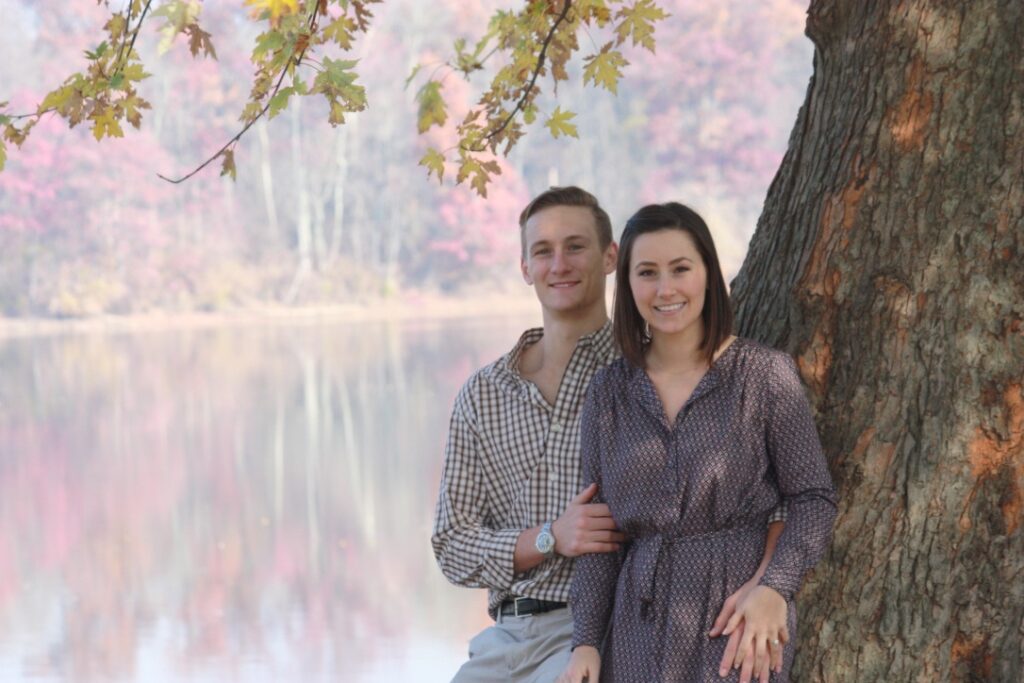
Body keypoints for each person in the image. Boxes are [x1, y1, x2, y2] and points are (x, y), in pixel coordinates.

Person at [432, 188, 786, 682]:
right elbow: (451, 544)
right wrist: (548, 538)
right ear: (524, 267)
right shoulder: (484, 393)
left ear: (609, 257)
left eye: (575, 246)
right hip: (504, 634)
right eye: (543, 251)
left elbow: (763, 498)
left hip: (602, 626)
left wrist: (769, 587)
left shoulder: (640, 377)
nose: (559, 264)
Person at [558, 203, 837, 683]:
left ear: (708, 273)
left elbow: (813, 499)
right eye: (647, 273)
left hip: (736, 623)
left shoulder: (763, 375)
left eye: (681, 269)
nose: (665, 289)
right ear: (627, 285)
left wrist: (775, 588)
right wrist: (585, 642)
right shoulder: (609, 391)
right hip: (635, 628)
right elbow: (600, 536)